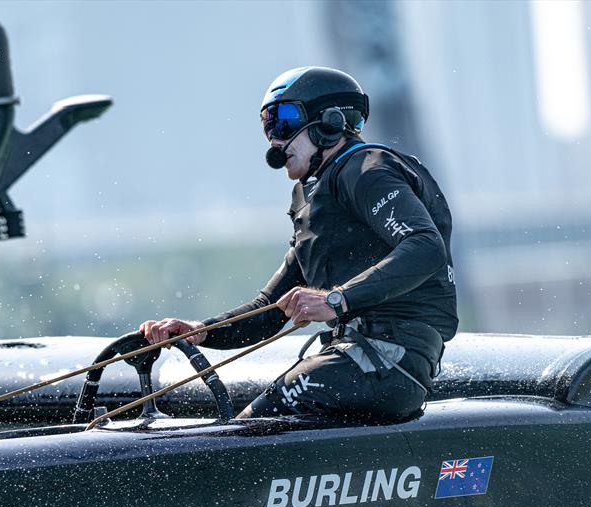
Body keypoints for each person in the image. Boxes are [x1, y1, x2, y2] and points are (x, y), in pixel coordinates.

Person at [140, 66, 457, 421]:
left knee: (252, 426)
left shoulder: (366, 169)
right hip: (358, 358)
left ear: (329, 123)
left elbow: (426, 245)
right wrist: (201, 331)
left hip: (389, 363)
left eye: (284, 122)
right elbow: (271, 307)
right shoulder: (316, 199)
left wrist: (336, 300)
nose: (274, 139)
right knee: (254, 422)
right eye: (267, 125)